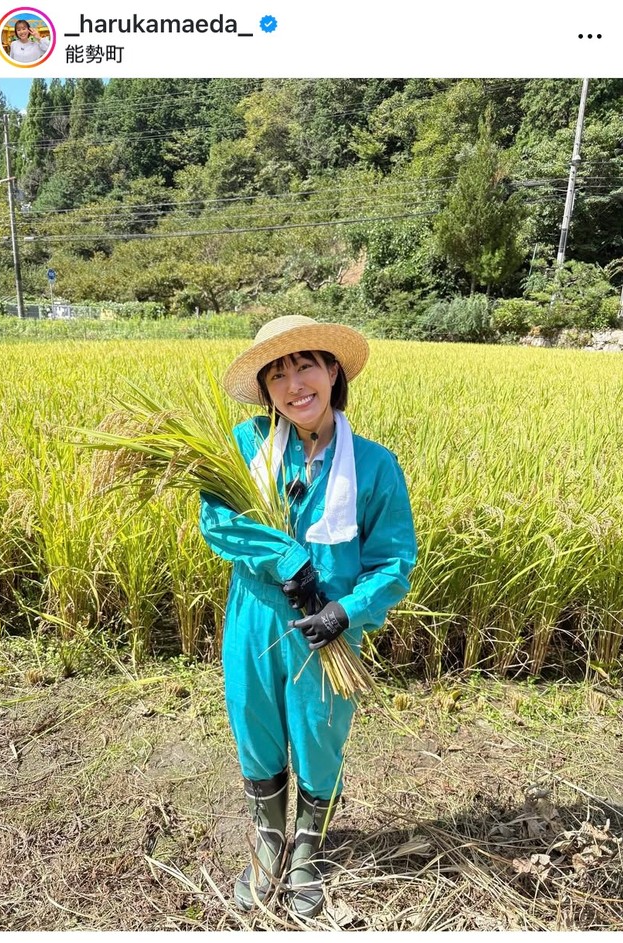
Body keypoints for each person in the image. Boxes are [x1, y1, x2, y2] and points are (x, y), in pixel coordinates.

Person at [199, 314, 417, 917]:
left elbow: (394, 561)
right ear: (266, 390)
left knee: (320, 735)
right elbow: (219, 522)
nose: (294, 385)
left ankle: (307, 851)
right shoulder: (247, 447)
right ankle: (269, 843)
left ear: (333, 372)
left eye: (305, 367)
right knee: (255, 725)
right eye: (278, 375)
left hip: (327, 630)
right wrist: (288, 560)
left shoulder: (374, 465)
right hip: (254, 615)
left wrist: (345, 612)